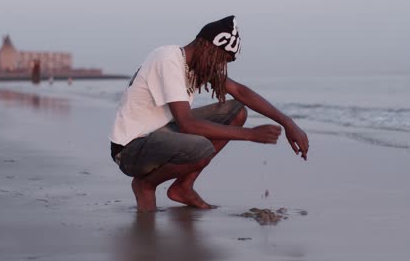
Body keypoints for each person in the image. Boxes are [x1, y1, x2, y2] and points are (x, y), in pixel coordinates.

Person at [109, 15, 309, 212]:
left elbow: (240, 92)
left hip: (161, 135)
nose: (220, 66)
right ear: (207, 46)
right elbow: (187, 124)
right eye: (221, 58)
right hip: (130, 149)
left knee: (237, 112)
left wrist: (287, 122)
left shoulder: (195, 66)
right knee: (200, 148)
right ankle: (146, 184)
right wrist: (251, 135)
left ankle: (183, 187)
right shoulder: (168, 59)